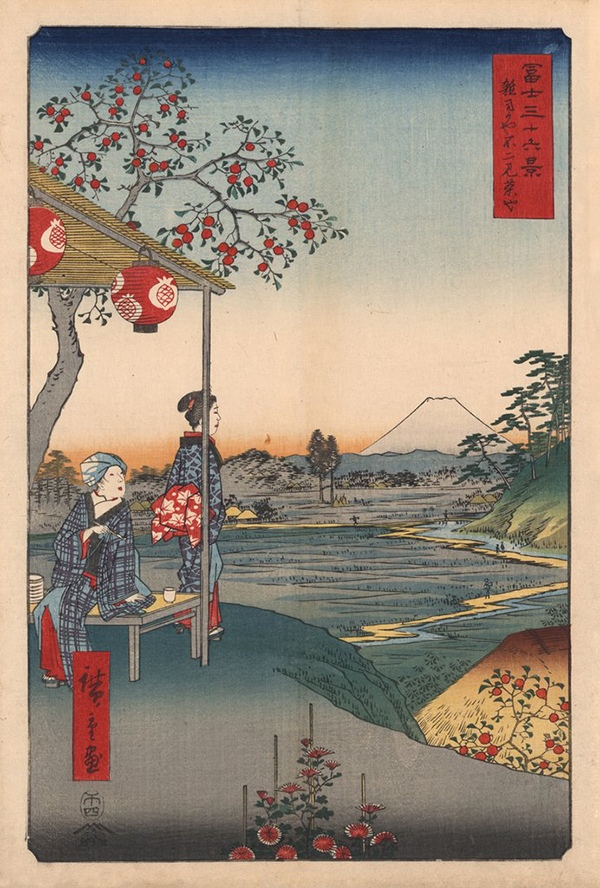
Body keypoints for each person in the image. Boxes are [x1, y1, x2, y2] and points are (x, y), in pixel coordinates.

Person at [33, 452, 155, 688]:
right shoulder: (84, 503)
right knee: (46, 609)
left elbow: (124, 553)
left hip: (105, 579)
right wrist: (88, 533)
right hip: (74, 574)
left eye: (121, 475)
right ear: (99, 480)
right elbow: (62, 541)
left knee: (69, 611)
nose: (120, 480)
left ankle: (85, 681)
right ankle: (61, 671)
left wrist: (125, 591)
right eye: (113, 475)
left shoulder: (122, 509)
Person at [152, 391, 226, 638]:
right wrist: (209, 521)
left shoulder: (189, 447)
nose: (219, 418)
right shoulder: (198, 449)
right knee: (203, 569)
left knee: (202, 568)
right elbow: (201, 492)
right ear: (202, 418)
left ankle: (190, 619)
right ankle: (196, 622)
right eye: (215, 413)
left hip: (191, 521)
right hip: (197, 522)